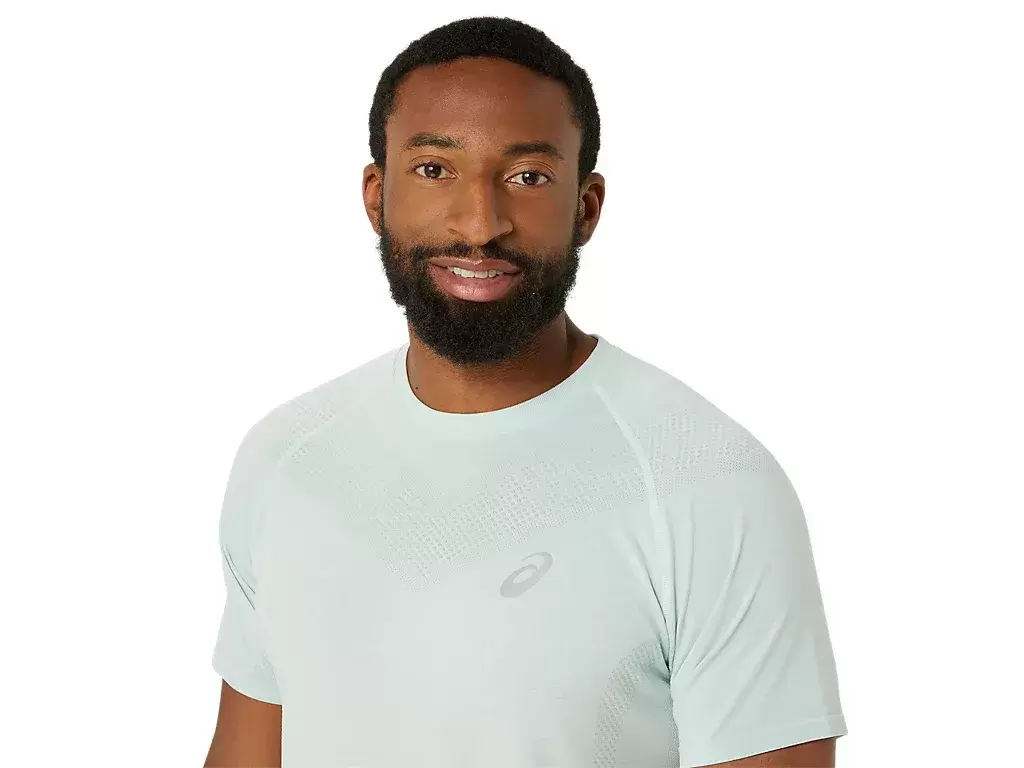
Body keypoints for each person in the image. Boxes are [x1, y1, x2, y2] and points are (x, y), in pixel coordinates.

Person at [204, 16, 848, 768]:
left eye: (528, 177)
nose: (480, 225)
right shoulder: (286, 461)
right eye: (434, 169)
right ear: (377, 196)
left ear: (586, 207)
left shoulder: (707, 484)